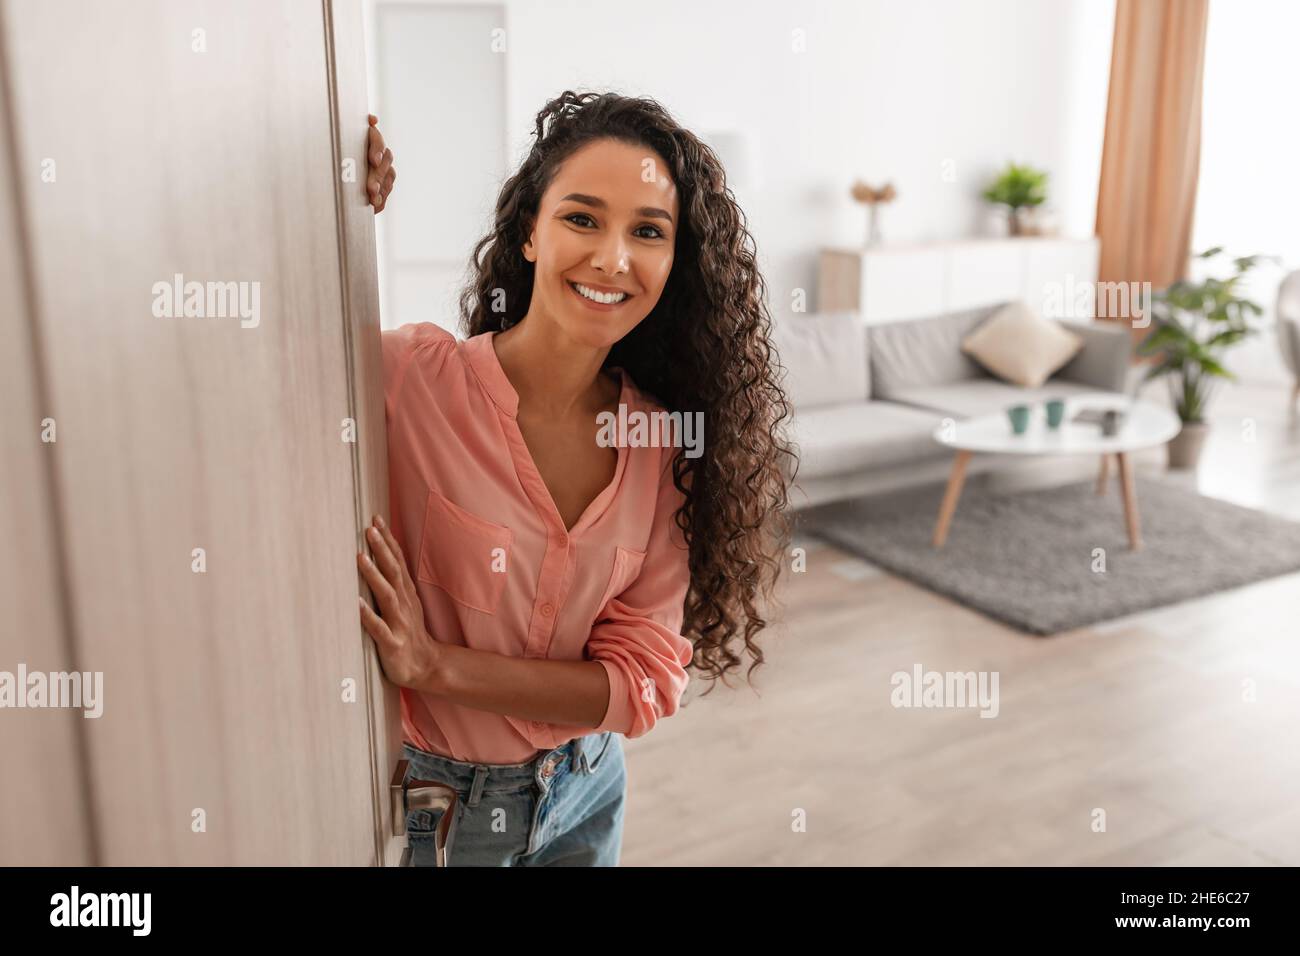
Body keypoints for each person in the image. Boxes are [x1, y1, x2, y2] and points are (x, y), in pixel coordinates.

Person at [357, 91, 794, 866]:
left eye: (648, 232)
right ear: (531, 231)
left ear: (673, 262)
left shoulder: (661, 442)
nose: (612, 258)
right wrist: (337, 205)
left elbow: (639, 685)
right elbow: (272, 345)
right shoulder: (409, 382)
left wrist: (436, 666)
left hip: (587, 789)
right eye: (582, 218)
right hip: (439, 808)